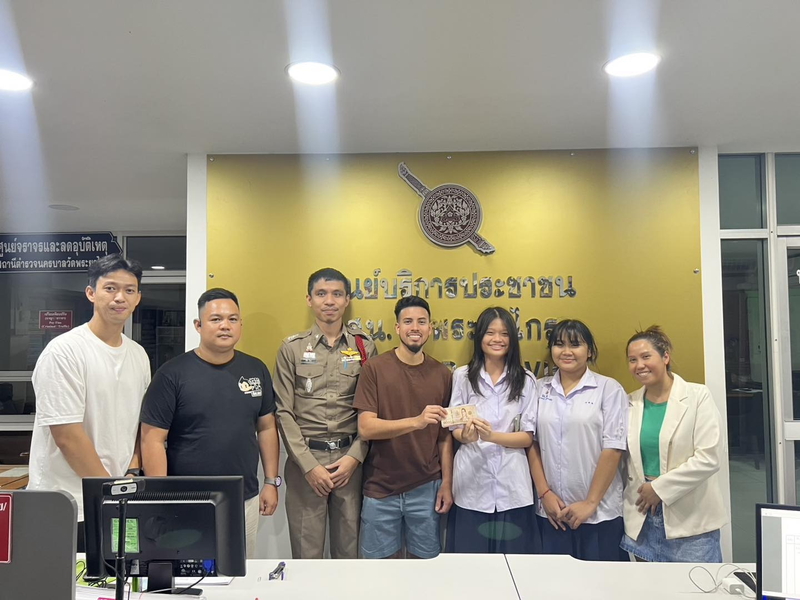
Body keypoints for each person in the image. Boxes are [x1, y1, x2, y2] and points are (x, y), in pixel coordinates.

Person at [140, 288, 280, 559]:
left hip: (244, 497)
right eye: (216, 319)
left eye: (232, 319)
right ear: (198, 325)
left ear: (240, 325)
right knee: (189, 571)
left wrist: (271, 482)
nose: (225, 325)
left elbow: (266, 427)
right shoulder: (172, 374)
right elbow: (152, 439)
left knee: (240, 570)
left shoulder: (256, 369)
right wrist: (160, 497)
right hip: (186, 501)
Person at [27, 254, 151, 549]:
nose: (120, 297)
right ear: (91, 293)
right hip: (66, 505)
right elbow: (67, 436)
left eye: (129, 290)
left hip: (116, 499)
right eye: (110, 288)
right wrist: (109, 490)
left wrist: (132, 470)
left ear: (137, 298)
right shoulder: (64, 351)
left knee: (117, 576)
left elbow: (137, 424)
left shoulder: (138, 355)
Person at [273, 268, 376, 559]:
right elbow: (283, 411)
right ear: (309, 299)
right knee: (306, 555)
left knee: (349, 553)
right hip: (305, 464)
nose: (329, 301)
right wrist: (309, 466)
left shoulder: (364, 346)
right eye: (321, 294)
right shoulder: (292, 349)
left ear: (347, 300)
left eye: (336, 294)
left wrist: (354, 458)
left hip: (349, 464)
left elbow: (372, 409)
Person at [354, 295, 453, 559]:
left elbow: (444, 437)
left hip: (427, 488)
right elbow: (366, 428)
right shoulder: (374, 369)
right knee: (379, 569)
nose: (415, 327)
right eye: (408, 321)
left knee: (425, 567)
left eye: (422, 322)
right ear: (397, 328)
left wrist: (447, 483)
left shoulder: (442, 374)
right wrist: (416, 421)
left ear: (430, 328)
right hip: (380, 488)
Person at [620, 326, 726, 562]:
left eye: (646, 356)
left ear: (665, 356)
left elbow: (709, 457)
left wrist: (659, 489)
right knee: (646, 584)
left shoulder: (698, 396)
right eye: (633, 360)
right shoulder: (629, 402)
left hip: (690, 521)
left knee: (696, 583)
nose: (639, 365)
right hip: (642, 516)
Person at [528, 319, 628, 561]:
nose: (566, 351)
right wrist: (545, 494)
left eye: (575, 345)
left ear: (589, 351)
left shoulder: (608, 389)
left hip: (599, 514)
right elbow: (532, 443)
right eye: (559, 344)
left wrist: (590, 503)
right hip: (553, 513)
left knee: (602, 581)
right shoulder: (539, 389)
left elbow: (614, 448)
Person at [445, 307, 539, 554]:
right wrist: (465, 436)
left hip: (513, 486)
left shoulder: (526, 379)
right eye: (490, 332)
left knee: (513, 563)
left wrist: (491, 436)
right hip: (471, 484)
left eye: (504, 334)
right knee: (471, 563)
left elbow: (527, 437)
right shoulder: (463, 376)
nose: (497, 339)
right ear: (479, 336)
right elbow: (454, 428)